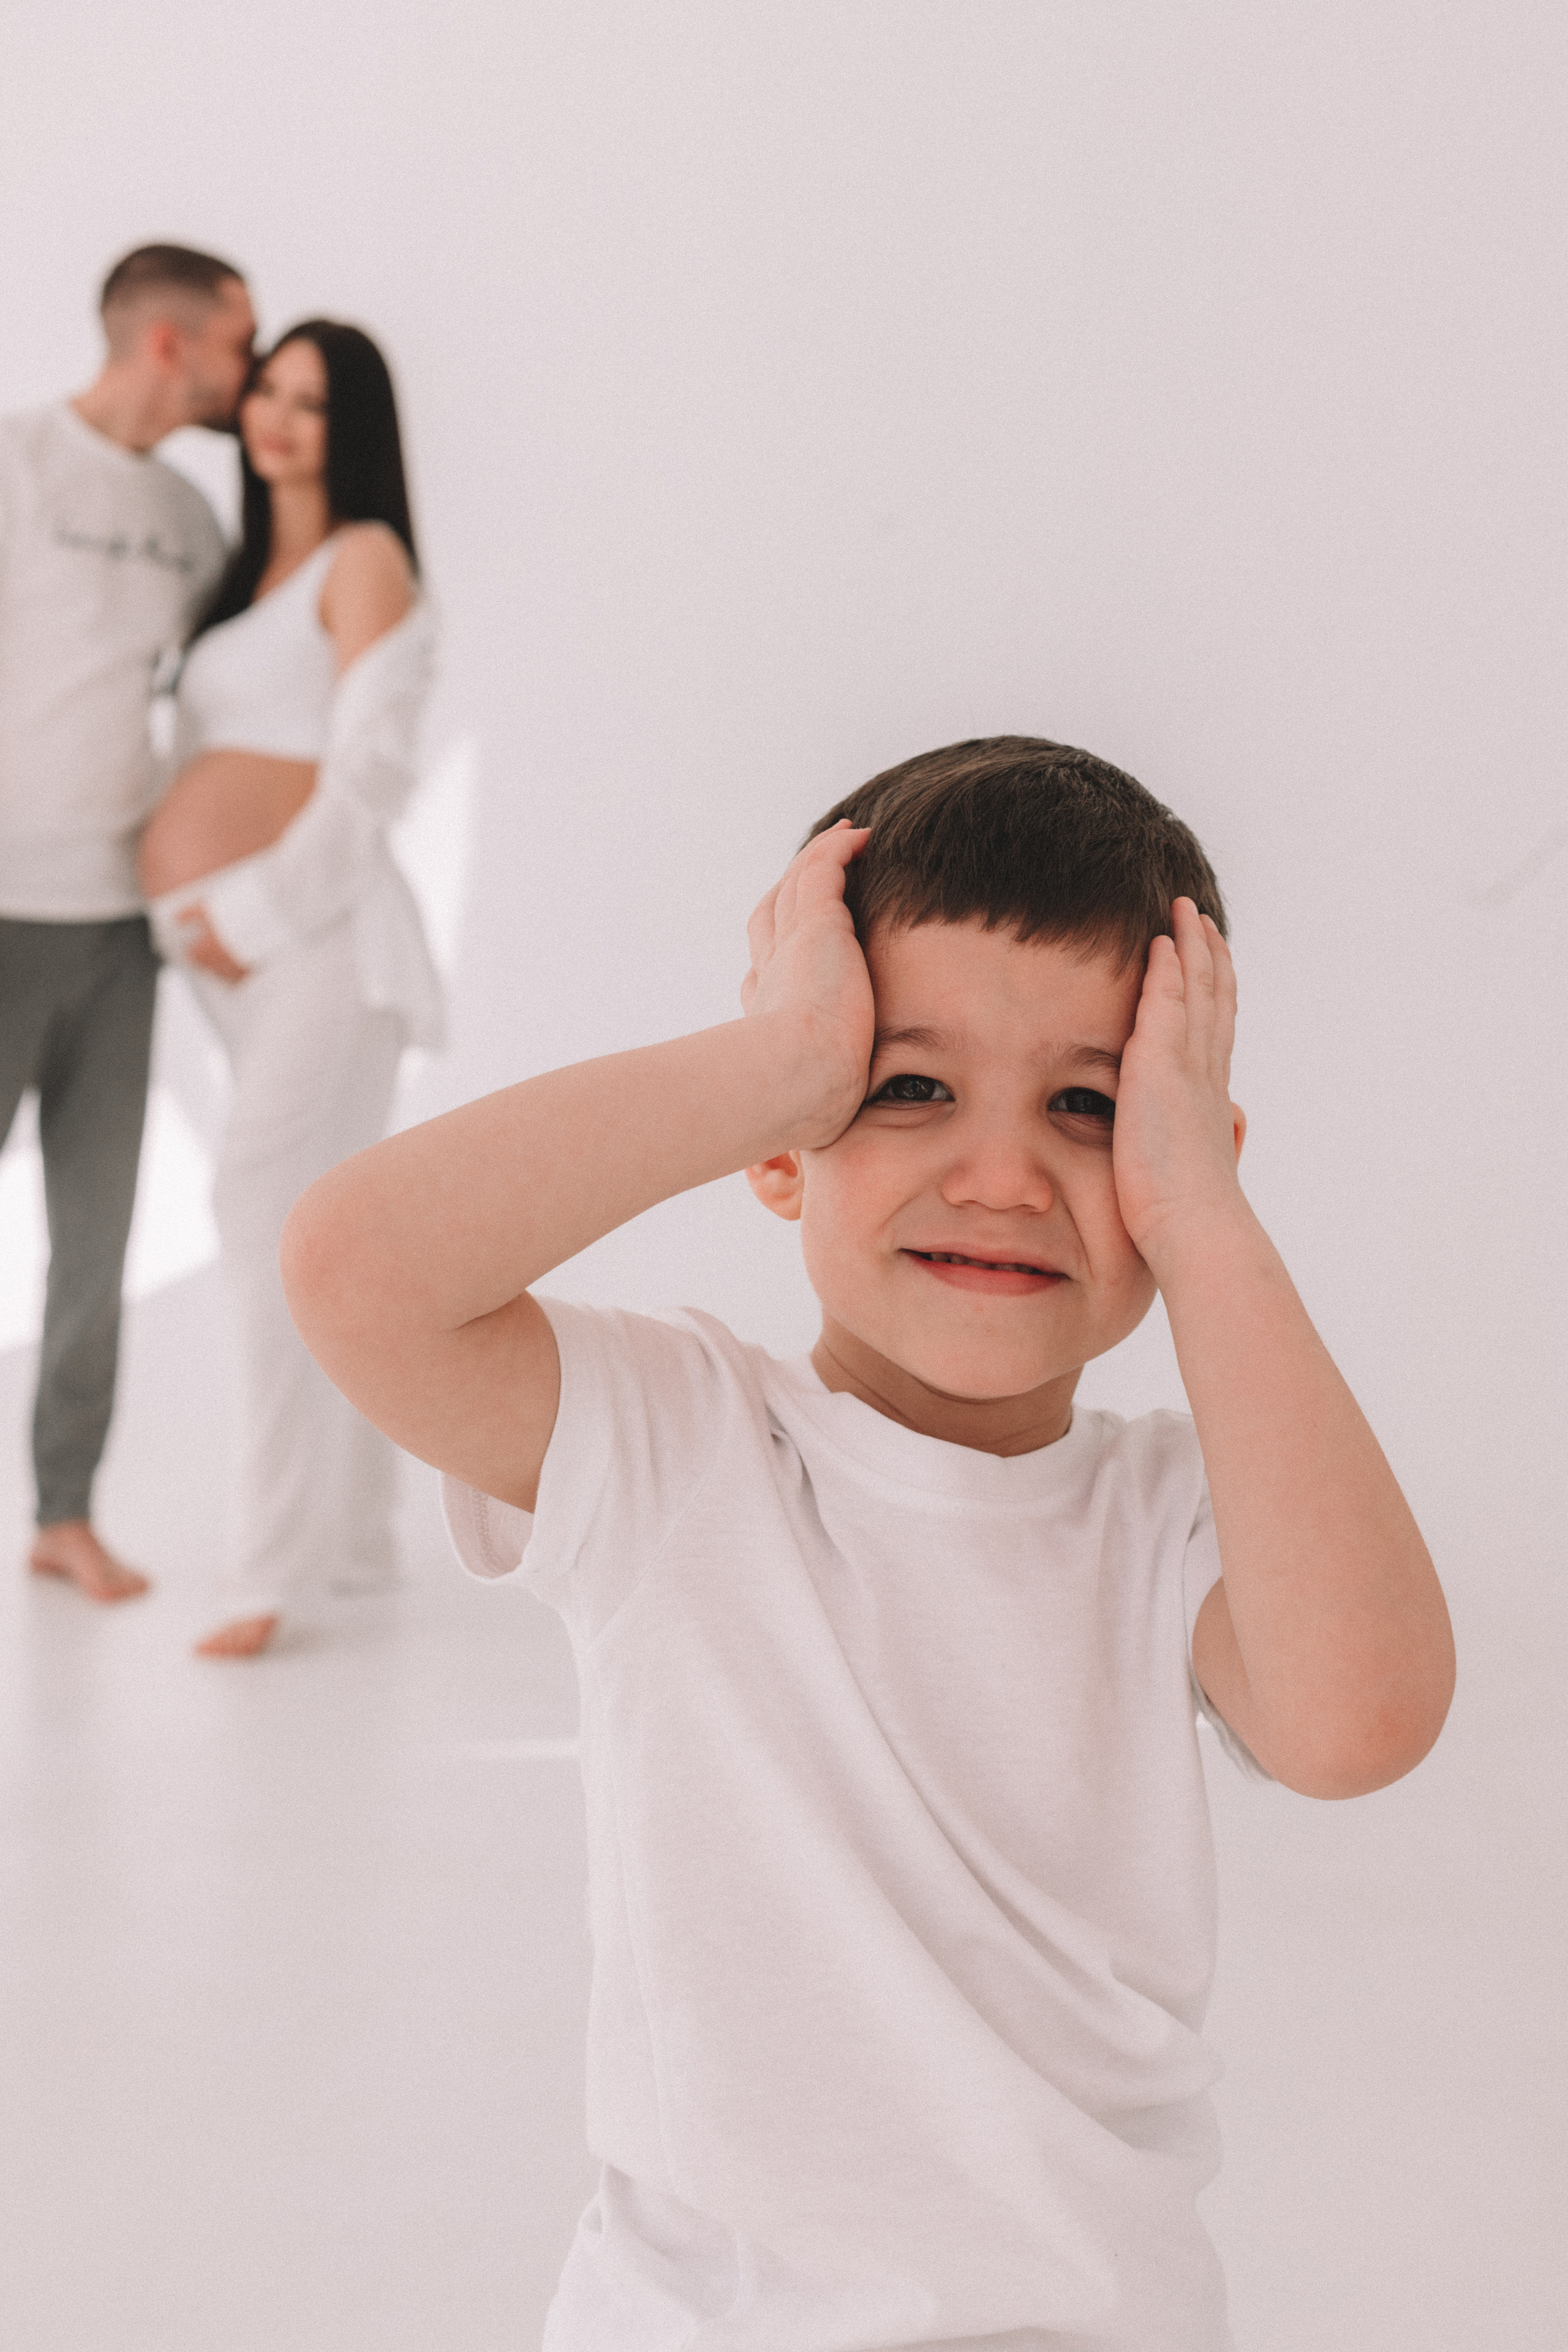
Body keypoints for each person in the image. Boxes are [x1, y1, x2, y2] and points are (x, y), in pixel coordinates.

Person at [279, 739, 1455, 2348]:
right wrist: (776, 1058)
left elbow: (1357, 1721)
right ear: (785, 1139)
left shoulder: (1171, 1511)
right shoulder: (675, 1444)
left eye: (1091, 1107)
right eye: (906, 1087)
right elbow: (356, 1273)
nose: (1001, 1176)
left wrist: (1205, 1224)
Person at [137, 320, 441, 1659]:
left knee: (261, 1212)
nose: (277, 418)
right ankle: (362, 1536)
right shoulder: (242, 574)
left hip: (314, 940)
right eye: (266, 391)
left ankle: (268, 1568)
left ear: (352, 428)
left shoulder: (364, 558)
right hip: (220, 953)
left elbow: (372, 774)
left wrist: (249, 913)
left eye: (312, 403)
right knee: (331, 1224)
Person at [1, 244, 255, 1605]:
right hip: (0, 907)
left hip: (119, 934)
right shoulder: (19, 463)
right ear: (171, 342)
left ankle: (63, 1509)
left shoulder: (190, 523)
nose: (251, 368)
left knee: (94, 1240)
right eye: (238, 340)